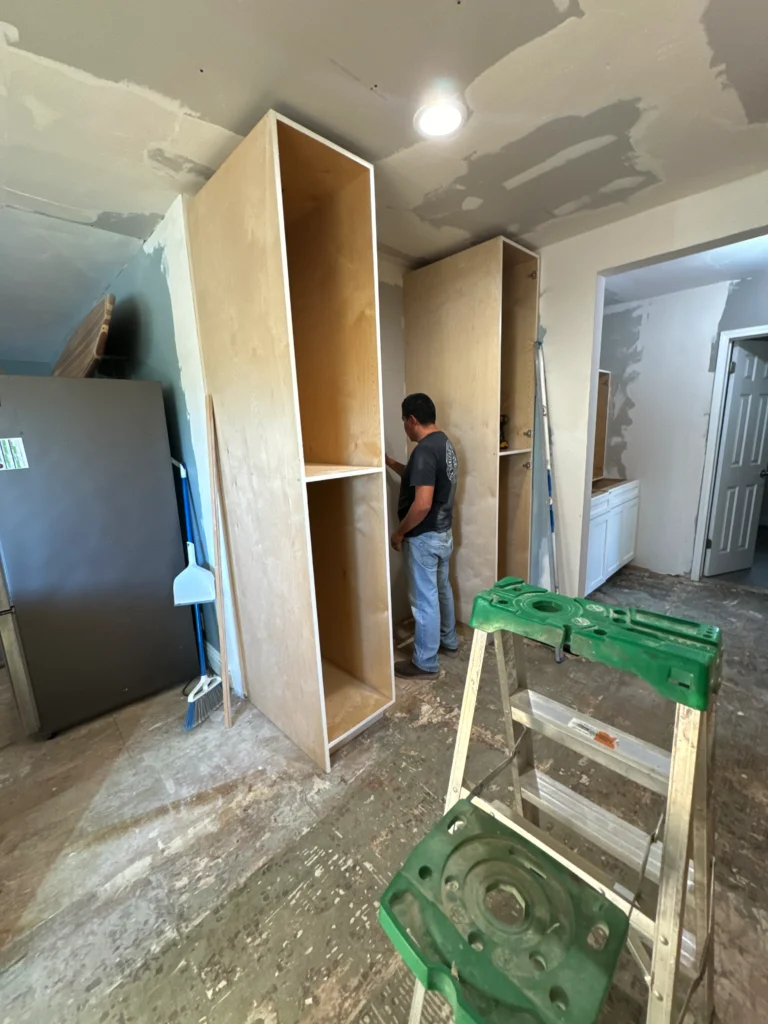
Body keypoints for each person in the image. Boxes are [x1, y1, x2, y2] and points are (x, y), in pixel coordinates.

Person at [386, 393, 459, 678]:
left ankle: (425, 662)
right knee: (442, 590)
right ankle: (448, 640)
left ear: (412, 420)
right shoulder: (444, 444)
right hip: (442, 533)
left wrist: (399, 532)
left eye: (404, 420)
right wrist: (392, 464)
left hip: (424, 536)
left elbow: (423, 503)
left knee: (424, 600)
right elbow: (422, 478)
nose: (404, 426)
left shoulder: (425, 450)